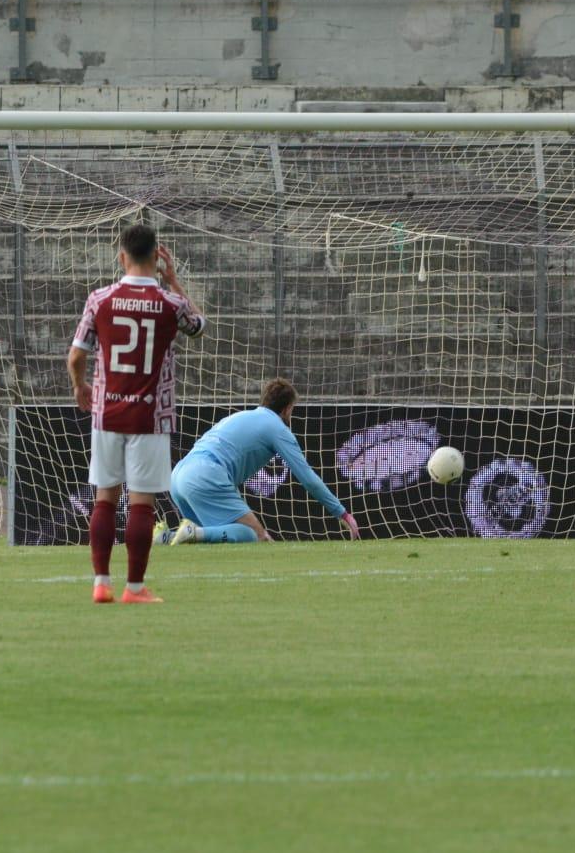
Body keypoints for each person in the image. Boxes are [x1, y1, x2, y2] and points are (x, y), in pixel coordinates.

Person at [68, 223, 204, 605]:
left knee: (104, 498)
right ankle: (135, 588)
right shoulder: (171, 303)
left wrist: (79, 386)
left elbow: (76, 356)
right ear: (157, 257)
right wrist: (173, 281)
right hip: (151, 416)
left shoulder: (100, 299)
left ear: (122, 257)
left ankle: (100, 583)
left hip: (107, 412)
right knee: (142, 503)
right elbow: (199, 327)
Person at [162, 377, 359, 545]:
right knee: (251, 534)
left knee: (208, 537)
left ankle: (165, 536)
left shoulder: (241, 416)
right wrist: (342, 513)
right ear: (287, 408)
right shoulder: (277, 428)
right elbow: (308, 479)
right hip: (206, 475)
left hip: (179, 476)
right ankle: (189, 532)